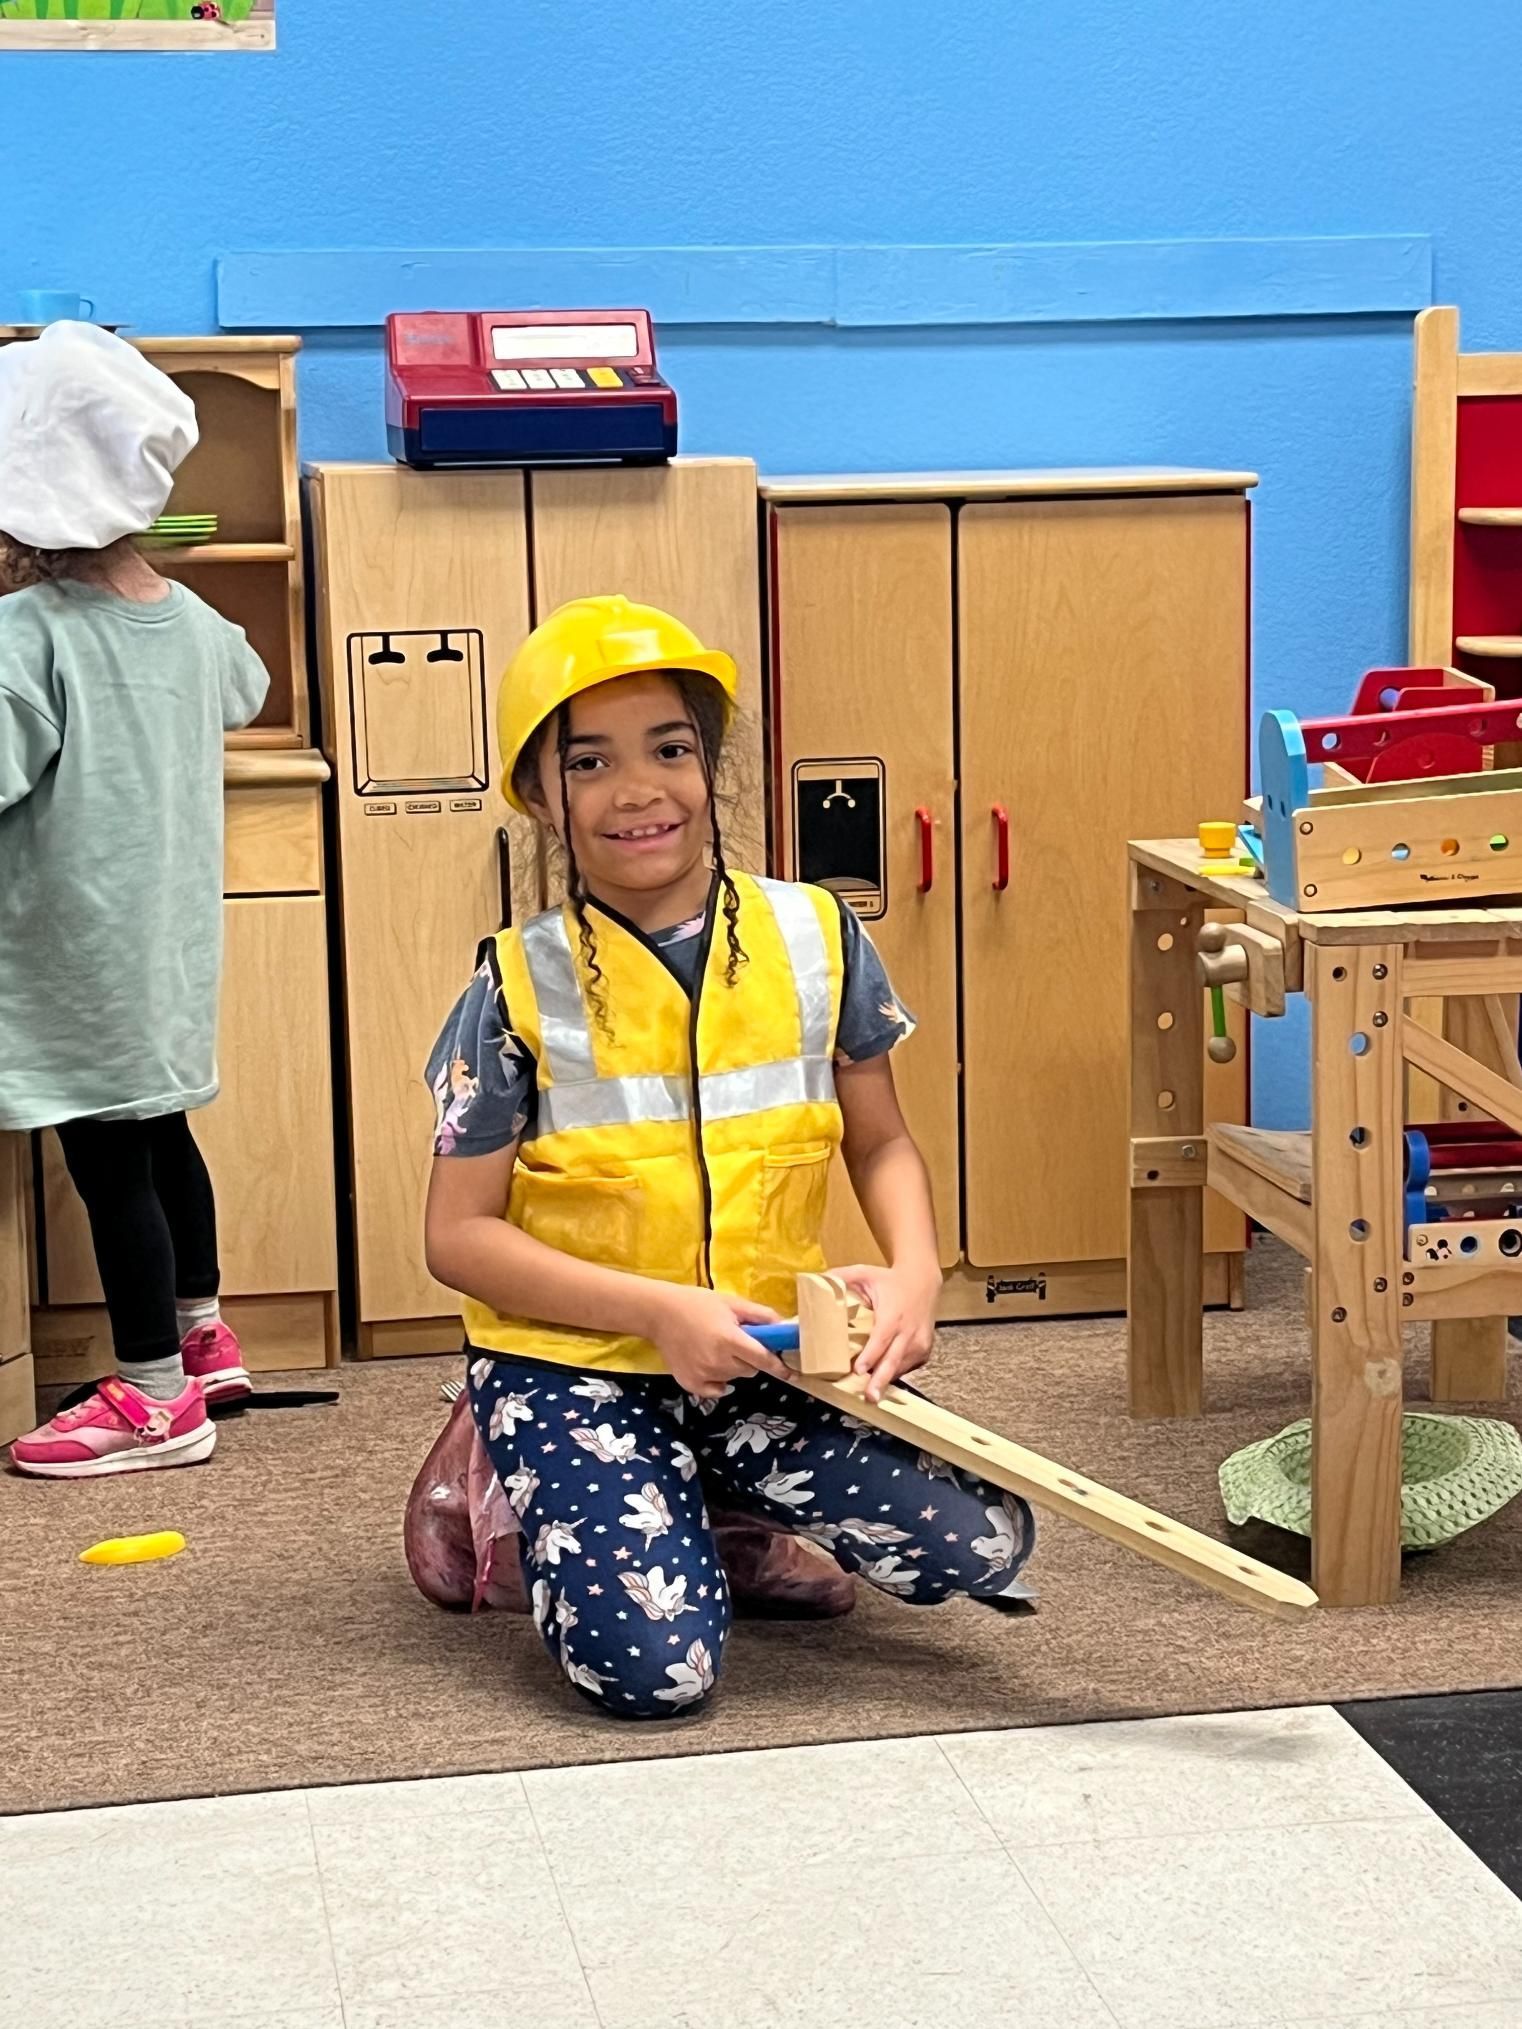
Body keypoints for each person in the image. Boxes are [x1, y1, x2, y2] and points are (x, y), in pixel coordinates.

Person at [422, 594, 1035, 1718]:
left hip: (758, 1352)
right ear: (541, 801)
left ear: (710, 766)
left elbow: (883, 1138)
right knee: (652, 1673)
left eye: (670, 748)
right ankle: (502, 1484)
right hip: (572, 1364)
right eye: (590, 761)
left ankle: (708, 1499)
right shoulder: (513, 985)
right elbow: (455, 1236)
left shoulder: (816, 937)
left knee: (981, 1542)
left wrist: (912, 1272)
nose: (639, 788)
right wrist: (656, 1312)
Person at [0, 322, 270, 1478]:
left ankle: (158, 1398)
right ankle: (205, 1335)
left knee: (110, 1170)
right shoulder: (190, 620)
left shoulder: (26, 635)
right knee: (164, 1140)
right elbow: (249, 689)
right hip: (160, 959)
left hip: (74, 962)